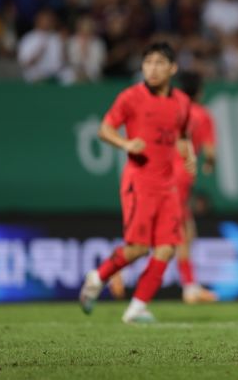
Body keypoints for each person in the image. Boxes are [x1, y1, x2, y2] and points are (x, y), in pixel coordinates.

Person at [78, 42, 193, 323]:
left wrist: (188, 153)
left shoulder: (182, 102)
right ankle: (98, 276)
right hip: (139, 182)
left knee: (167, 247)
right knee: (139, 248)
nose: (152, 69)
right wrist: (126, 143)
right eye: (147, 63)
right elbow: (104, 129)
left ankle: (137, 307)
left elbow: (180, 135)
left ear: (172, 68)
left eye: (158, 63)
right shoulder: (131, 97)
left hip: (168, 186)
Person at [174, 70, 219, 304]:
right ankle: (189, 288)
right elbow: (211, 154)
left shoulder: (173, 110)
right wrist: (210, 164)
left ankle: (190, 284)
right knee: (179, 233)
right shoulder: (203, 115)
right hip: (181, 176)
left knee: (186, 232)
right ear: (200, 91)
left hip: (164, 173)